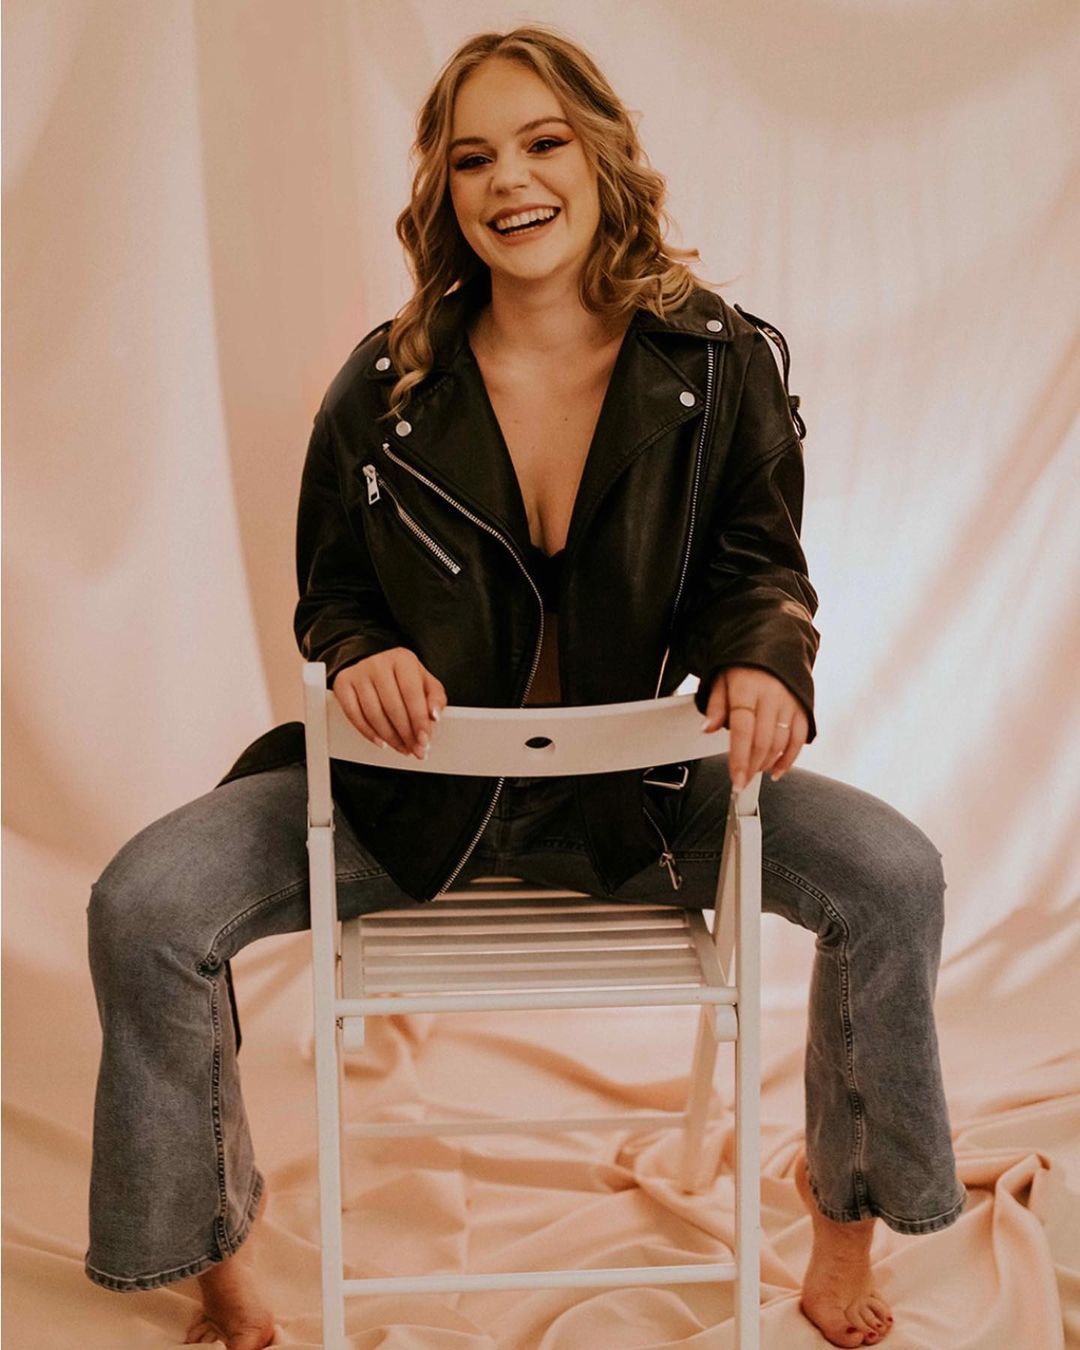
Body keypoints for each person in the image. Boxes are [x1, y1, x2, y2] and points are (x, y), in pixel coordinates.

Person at [84, 24, 966, 1350]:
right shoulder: (387, 387)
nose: (510, 180)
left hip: (639, 797)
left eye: (543, 141)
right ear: (443, 191)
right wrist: (361, 651)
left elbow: (760, 564)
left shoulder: (716, 361)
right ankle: (214, 1249)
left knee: (893, 876)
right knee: (145, 904)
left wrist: (763, 655)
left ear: (602, 154)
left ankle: (842, 1229)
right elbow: (333, 590)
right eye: (471, 157)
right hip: (408, 801)